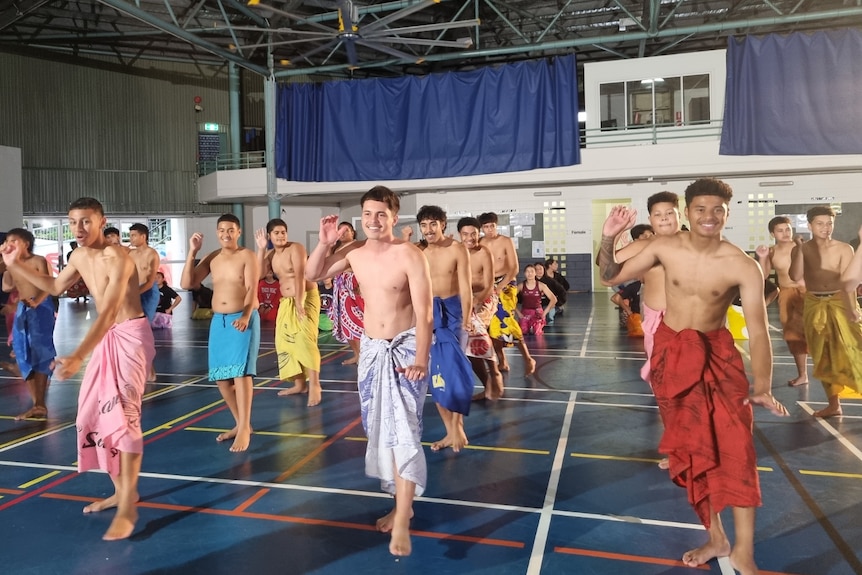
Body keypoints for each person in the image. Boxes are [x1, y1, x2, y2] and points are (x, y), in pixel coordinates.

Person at [598, 179, 788, 574]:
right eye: (700, 209)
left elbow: (758, 328)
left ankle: (744, 553)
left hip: (718, 358)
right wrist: (609, 237)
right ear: (687, 212)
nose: (708, 216)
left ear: (727, 214)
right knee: (690, 452)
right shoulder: (665, 247)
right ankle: (717, 537)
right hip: (672, 356)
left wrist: (764, 386)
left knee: (739, 452)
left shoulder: (742, 264)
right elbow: (610, 277)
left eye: (717, 209)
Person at [2, 197, 156, 541]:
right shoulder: (78, 256)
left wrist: (77, 354)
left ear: (102, 221)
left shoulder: (118, 257)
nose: (78, 229)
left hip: (129, 337)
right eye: (72, 222)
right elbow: (55, 287)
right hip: (105, 340)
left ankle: (129, 507)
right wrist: (14, 264)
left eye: (85, 221)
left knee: (125, 418)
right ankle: (121, 490)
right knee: (94, 418)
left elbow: (110, 309)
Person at [305, 185, 432, 557]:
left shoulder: (410, 254)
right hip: (372, 352)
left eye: (381, 214)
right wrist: (325, 242)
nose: (373, 221)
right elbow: (314, 274)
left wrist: (422, 359)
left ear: (394, 217)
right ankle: (400, 505)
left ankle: (403, 525)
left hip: (406, 352)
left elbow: (424, 312)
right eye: (368, 214)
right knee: (382, 432)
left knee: (404, 433)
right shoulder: (354, 252)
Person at [181, 214, 260, 452]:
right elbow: (187, 284)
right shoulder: (212, 257)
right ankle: (240, 423)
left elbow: (251, 289)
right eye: (222, 230)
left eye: (231, 230)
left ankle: (245, 427)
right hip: (219, 322)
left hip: (242, 319)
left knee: (241, 374)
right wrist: (192, 252)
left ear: (239, 232)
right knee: (221, 378)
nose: (226, 234)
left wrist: (246, 316)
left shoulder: (247, 255)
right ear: (217, 232)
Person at [789, 206, 862, 418]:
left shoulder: (843, 248)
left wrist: (851, 309)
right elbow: (795, 275)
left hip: (841, 302)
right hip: (814, 304)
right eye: (820, 224)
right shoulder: (801, 249)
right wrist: (800, 250)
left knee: (857, 349)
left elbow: (847, 281)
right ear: (810, 225)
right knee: (823, 357)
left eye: (829, 223)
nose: (826, 228)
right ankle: (833, 404)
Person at [414, 205, 474, 453]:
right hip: (430, 315)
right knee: (434, 374)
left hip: (454, 313)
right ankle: (450, 431)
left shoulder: (457, 249)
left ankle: (457, 427)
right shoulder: (419, 253)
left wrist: (467, 316)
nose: (428, 229)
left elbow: (466, 286)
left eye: (433, 224)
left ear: (442, 225)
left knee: (454, 371)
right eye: (424, 225)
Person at [255, 219, 322, 407]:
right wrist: (260, 250)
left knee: (304, 339)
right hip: (286, 301)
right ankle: (300, 384)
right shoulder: (270, 255)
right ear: (269, 236)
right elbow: (259, 274)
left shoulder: (297, 248)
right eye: (276, 233)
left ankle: (315, 384)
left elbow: (300, 274)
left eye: (283, 232)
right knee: (284, 343)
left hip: (305, 297)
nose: (281, 236)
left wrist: (300, 301)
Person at [1, 228, 56, 420]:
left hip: (41, 309)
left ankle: (40, 403)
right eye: (7, 241)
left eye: (14, 241)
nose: (9, 244)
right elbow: (7, 286)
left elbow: (50, 286)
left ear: (26, 244)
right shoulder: (12, 264)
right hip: (23, 310)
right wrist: (7, 264)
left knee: (40, 352)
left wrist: (37, 302)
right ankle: (37, 404)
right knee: (23, 352)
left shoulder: (38, 260)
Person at [478, 212, 536, 375]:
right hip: (488, 284)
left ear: (497, 225)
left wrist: (500, 286)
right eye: (486, 227)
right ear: (482, 228)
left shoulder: (505, 241)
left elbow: (514, 268)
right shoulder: (480, 243)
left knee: (506, 322)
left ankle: (528, 358)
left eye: (492, 226)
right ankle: (502, 360)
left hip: (506, 284)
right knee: (492, 327)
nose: (489, 230)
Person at [755, 216, 809, 386]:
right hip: (787, 293)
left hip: (808, 292)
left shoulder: (803, 247)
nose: (785, 233)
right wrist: (762, 257)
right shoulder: (771, 251)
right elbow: (763, 275)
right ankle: (803, 375)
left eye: (787, 229)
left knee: (821, 331)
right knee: (794, 337)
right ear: (773, 233)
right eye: (780, 230)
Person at [457, 217, 503, 401]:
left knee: (476, 332)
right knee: (468, 346)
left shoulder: (484, 252)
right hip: (464, 300)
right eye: (465, 234)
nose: (470, 238)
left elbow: (489, 285)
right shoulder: (456, 251)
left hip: (484, 299)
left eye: (474, 234)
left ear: (479, 234)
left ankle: (494, 371)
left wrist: (476, 300)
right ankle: (487, 384)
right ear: (460, 235)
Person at [327, 221, 365, 365]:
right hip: (340, 286)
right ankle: (357, 355)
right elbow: (328, 263)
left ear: (353, 232)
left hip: (355, 284)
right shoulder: (336, 248)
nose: (343, 233)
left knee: (359, 321)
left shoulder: (359, 245)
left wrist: (361, 283)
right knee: (345, 323)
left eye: (346, 230)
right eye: (340, 231)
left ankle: (364, 355)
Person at [516, 264, 556, 335]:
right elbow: (508, 299)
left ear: (535, 273)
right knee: (523, 331)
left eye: (532, 271)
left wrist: (544, 313)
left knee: (537, 332)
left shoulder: (541, 285)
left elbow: (553, 299)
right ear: (524, 274)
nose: (530, 273)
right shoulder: (521, 286)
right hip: (525, 312)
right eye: (527, 271)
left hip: (537, 312)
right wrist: (518, 313)